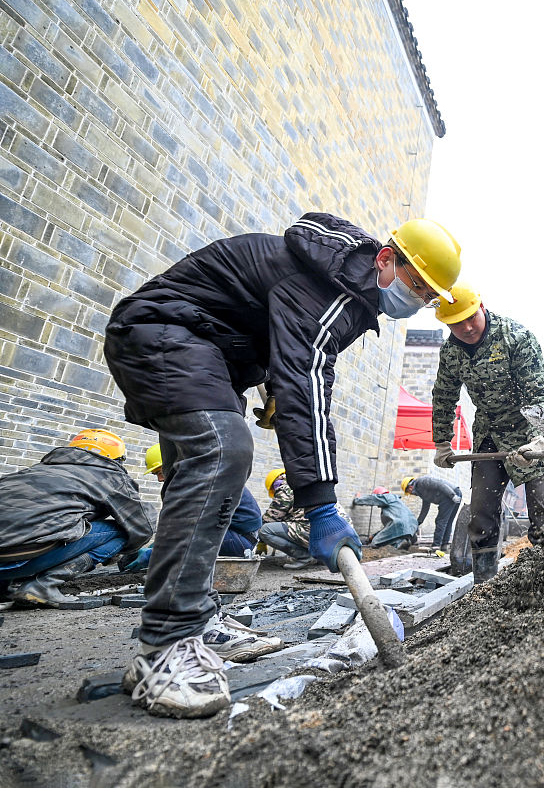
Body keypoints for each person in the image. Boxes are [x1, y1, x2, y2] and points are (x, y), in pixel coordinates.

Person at [103, 214, 462, 718]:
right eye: (416, 284)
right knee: (223, 450)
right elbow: (308, 386)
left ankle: (199, 619)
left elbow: (295, 359)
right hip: (162, 332)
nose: (418, 300)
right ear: (386, 259)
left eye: (428, 296)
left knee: (199, 465)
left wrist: (273, 380)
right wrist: (319, 504)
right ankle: (165, 647)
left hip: (210, 352)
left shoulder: (345, 284)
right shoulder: (330, 290)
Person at [429, 283, 544, 582]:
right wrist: (441, 442)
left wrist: (540, 439)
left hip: (531, 433)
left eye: (470, 318)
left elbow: (541, 394)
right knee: (481, 516)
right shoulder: (451, 353)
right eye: (456, 323)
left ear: (482, 308)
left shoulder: (516, 337)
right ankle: (484, 587)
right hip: (490, 436)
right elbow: (444, 396)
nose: (466, 327)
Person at [0, 430, 154, 610]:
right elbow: (143, 526)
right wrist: (125, 551)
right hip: (22, 560)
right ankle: (43, 586)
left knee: (21, 525)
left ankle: (2, 589)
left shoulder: (33, 471)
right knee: (122, 531)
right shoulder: (110, 476)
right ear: (116, 458)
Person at [142, 445, 261, 559]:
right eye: (155, 474)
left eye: (160, 472)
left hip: (242, 540)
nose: (159, 479)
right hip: (232, 534)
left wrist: (155, 554)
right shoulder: (196, 475)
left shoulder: (203, 479)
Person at [401, 475, 462, 550]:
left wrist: (452, 495)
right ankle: (444, 545)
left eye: (409, 493)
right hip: (452, 494)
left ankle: (436, 546)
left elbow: (440, 484)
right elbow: (425, 508)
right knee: (447, 521)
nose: (411, 494)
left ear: (410, 487)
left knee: (440, 521)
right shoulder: (421, 491)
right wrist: (418, 522)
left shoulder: (422, 482)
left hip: (450, 494)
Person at [352, 487, 419, 549]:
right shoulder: (396, 503)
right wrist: (373, 536)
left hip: (400, 525)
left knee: (375, 543)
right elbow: (389, 528)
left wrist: (357, 499)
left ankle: (399, 543)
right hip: (413, 526)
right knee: (390, 538)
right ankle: (405, 540)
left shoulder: (386, 497)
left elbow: (372, 498)